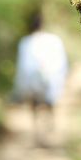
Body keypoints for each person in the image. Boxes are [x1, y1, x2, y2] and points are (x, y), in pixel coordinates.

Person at [12, 11, 68, 142]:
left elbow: (22, 66)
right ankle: (49, 130)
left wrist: (20, 85)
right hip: (49, 79)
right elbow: (61, 63)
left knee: (34, 107)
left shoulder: (25, 42)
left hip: (32, 81)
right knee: (50, 105)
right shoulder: (54, 40)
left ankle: (38, 133)